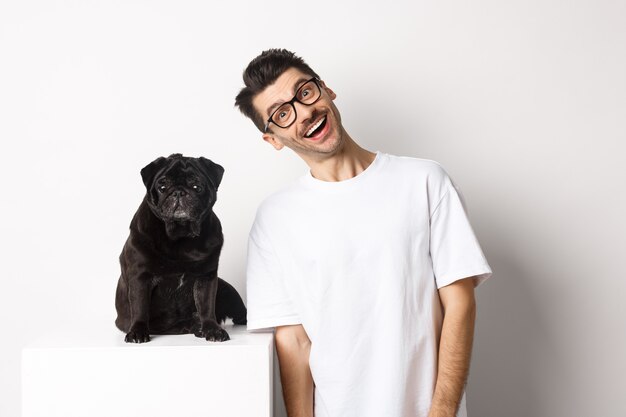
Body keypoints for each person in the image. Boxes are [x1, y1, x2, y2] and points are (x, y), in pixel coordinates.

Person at [235, 48, 492, 417]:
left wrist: (442, 413)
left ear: (326, 89)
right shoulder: (274, 219)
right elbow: (293, 342)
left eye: (305, 93)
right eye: (282, 114)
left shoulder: (424, 181)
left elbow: (460, 303)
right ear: (273, 138)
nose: (304, 112)